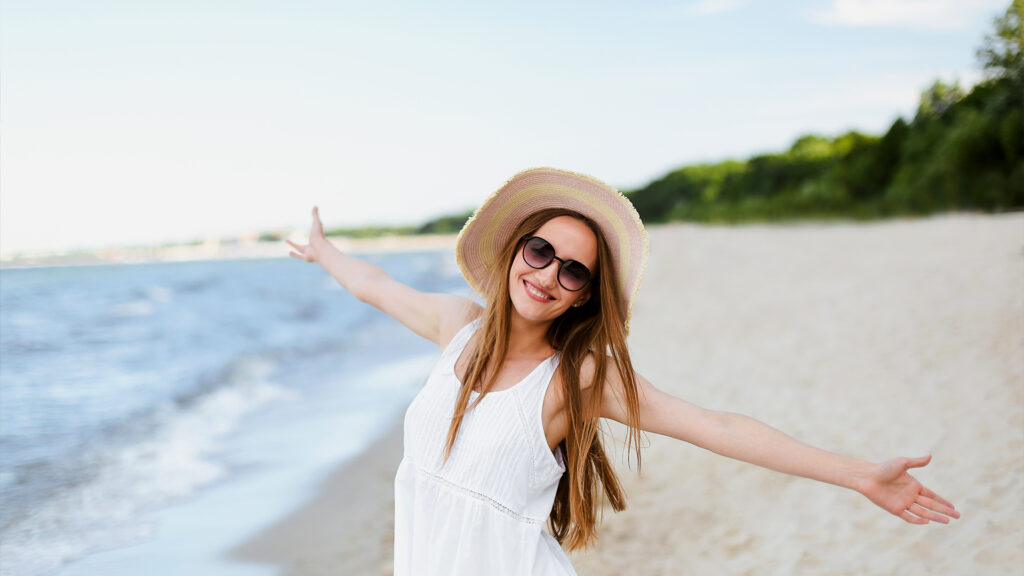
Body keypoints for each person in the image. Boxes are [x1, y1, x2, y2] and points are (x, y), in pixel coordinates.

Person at [286, 167, 959, 575]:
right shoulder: (454, 326)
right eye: (541, 250)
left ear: (585, 294)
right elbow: (374, 283)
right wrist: (323, 252)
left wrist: (858, 474)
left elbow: (713, 425)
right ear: (516, 250)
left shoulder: (576, 378)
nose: (548, 274)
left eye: (572, 269)